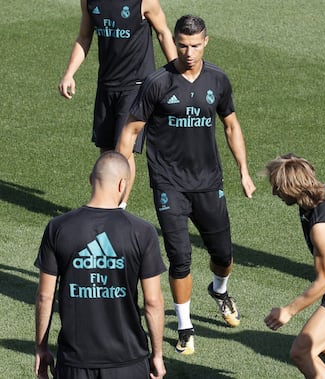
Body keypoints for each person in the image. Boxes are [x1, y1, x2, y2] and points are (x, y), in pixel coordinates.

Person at [116, 14, 256, 355]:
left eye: (194, 45)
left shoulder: (218, 80)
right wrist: (119, 191)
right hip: (168, 184)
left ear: (206, 42)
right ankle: (184, 326)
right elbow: (130, 133)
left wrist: (244, 171)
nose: (188, 51)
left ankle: (219, 290)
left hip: (209, 182)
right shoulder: (157, 83)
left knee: (223, 255)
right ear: (174, 43)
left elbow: (231, 125)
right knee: (179, 258)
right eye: (182, 45)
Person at [34, 151, 167, 379]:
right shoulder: (142, 232)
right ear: (122, 185)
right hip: (128, 362)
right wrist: (157, 354)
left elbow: (45, 297)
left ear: (90, 179)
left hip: (74, 362)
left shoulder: (58, 228)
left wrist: (41, 348)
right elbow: (153, 302)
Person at [58, 0, 177, 209]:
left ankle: (119, 208)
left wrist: (177, 75)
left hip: (137, 85)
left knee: (124, 149)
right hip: (106, 84)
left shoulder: (143, 1)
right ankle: (106, 203)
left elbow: (163, 33)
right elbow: (84, 37)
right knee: (106, 150)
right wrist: (69, 73)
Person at [264, 153, 325, 378]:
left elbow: (324, 281)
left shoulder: (321, 227)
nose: (274, 192)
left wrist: (288, 311)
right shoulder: (323, 193)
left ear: (291, 187)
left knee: (302, 351)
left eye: (277, 187)